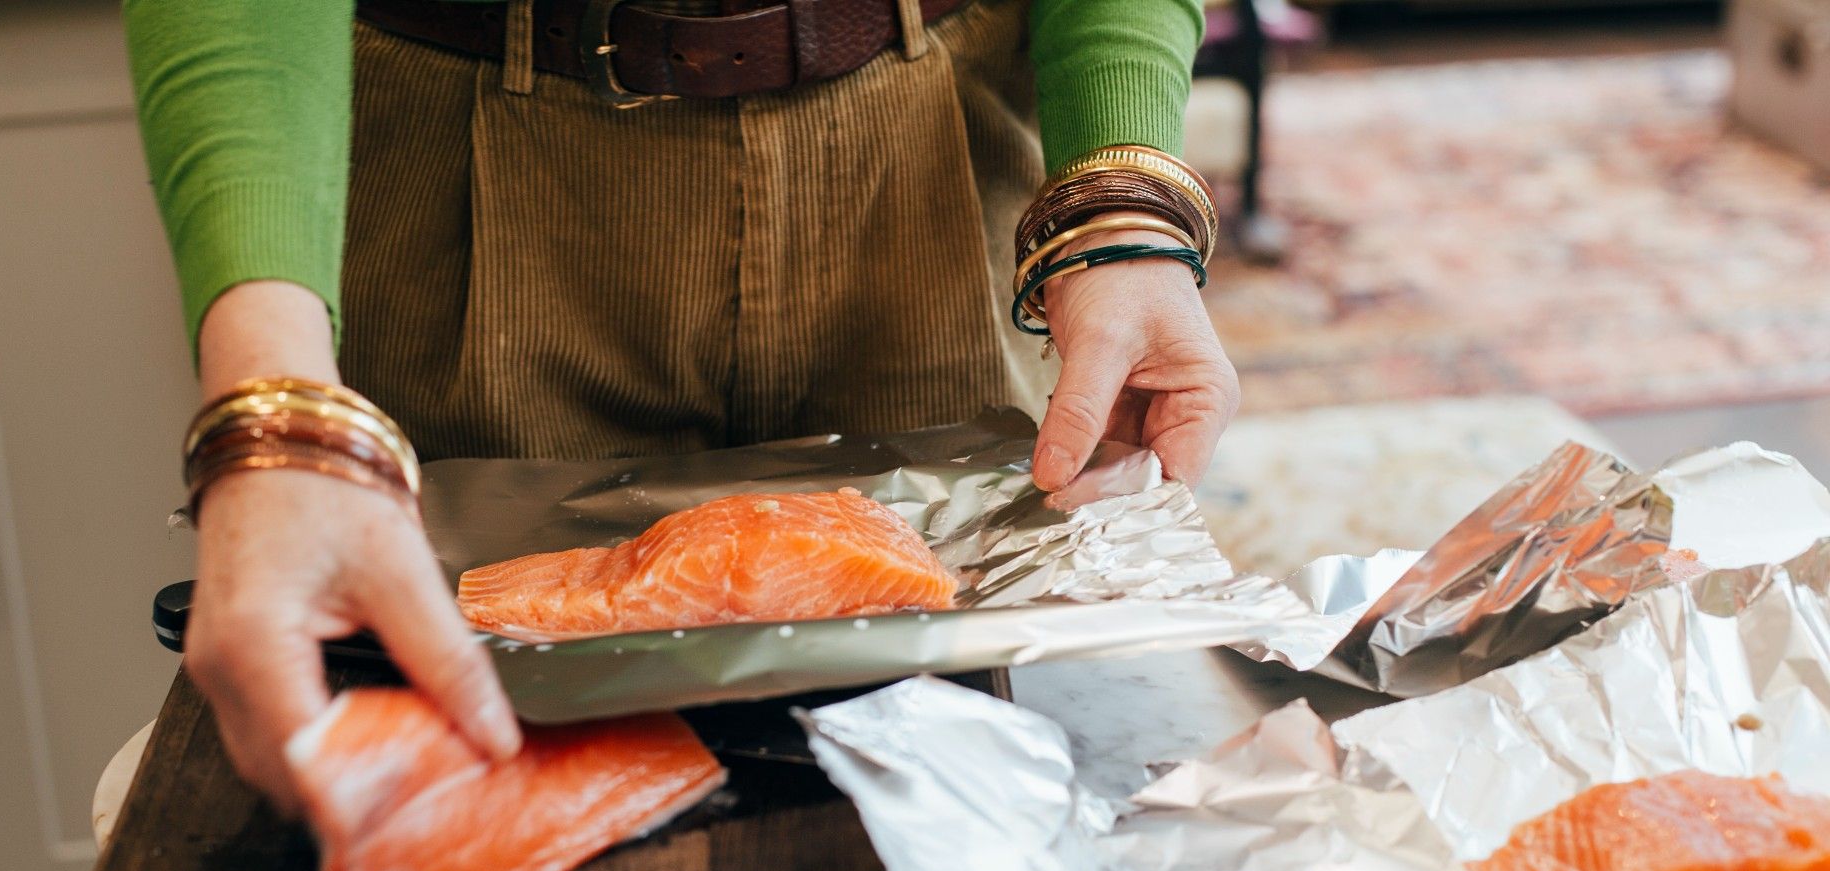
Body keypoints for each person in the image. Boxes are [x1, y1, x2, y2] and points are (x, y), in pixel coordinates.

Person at [124, 0, 1237, 813]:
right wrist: (276, 414)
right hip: (458, 162)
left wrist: (1122, 202)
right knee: (466, 780)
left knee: (992, 791)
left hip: (924, 151)